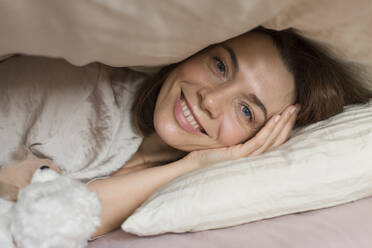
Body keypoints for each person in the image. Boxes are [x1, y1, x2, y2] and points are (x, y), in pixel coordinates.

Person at [1, 27, 371, 237]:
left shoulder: (183, 185)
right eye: (220, 65)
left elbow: (66, 217)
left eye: (246, 110)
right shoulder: (74, 87)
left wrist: (193, 165)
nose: (211, 99)